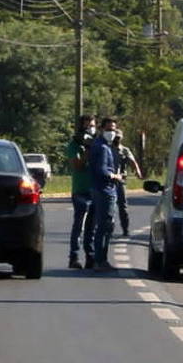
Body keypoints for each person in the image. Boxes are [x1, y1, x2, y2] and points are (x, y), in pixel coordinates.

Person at [60, 115, 98, 269]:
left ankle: (91, 256)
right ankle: (74, 257)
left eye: (93, 126)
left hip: (95, 190)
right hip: (81, 190)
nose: (90, 129)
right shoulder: (74, 145)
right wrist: (86, 150)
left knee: (92, 227)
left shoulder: (99, 144)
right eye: (87, 126)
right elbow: (78, 165)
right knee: (79, 225)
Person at [82, 122, 122, 267]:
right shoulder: (103, 147)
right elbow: (102, 170)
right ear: (101, 130)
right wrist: (114, 177)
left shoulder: (100, 145)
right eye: (108, 129)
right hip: (105, 189)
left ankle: (98, 259)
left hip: (100, 189)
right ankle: (100, 259)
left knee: (102, 225)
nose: (112, 132)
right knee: (104, 226)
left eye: (113, 129)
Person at [102, 116, 142, 234]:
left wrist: (137, 171)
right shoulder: (107, 148)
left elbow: (132, 161)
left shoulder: (124, 150)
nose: (117, 140)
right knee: (110, 207)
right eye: (116, 137)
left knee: (123, 207)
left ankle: (125, 229)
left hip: (120, 181)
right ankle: (109, 229)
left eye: (119, 138)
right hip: (109, 180)